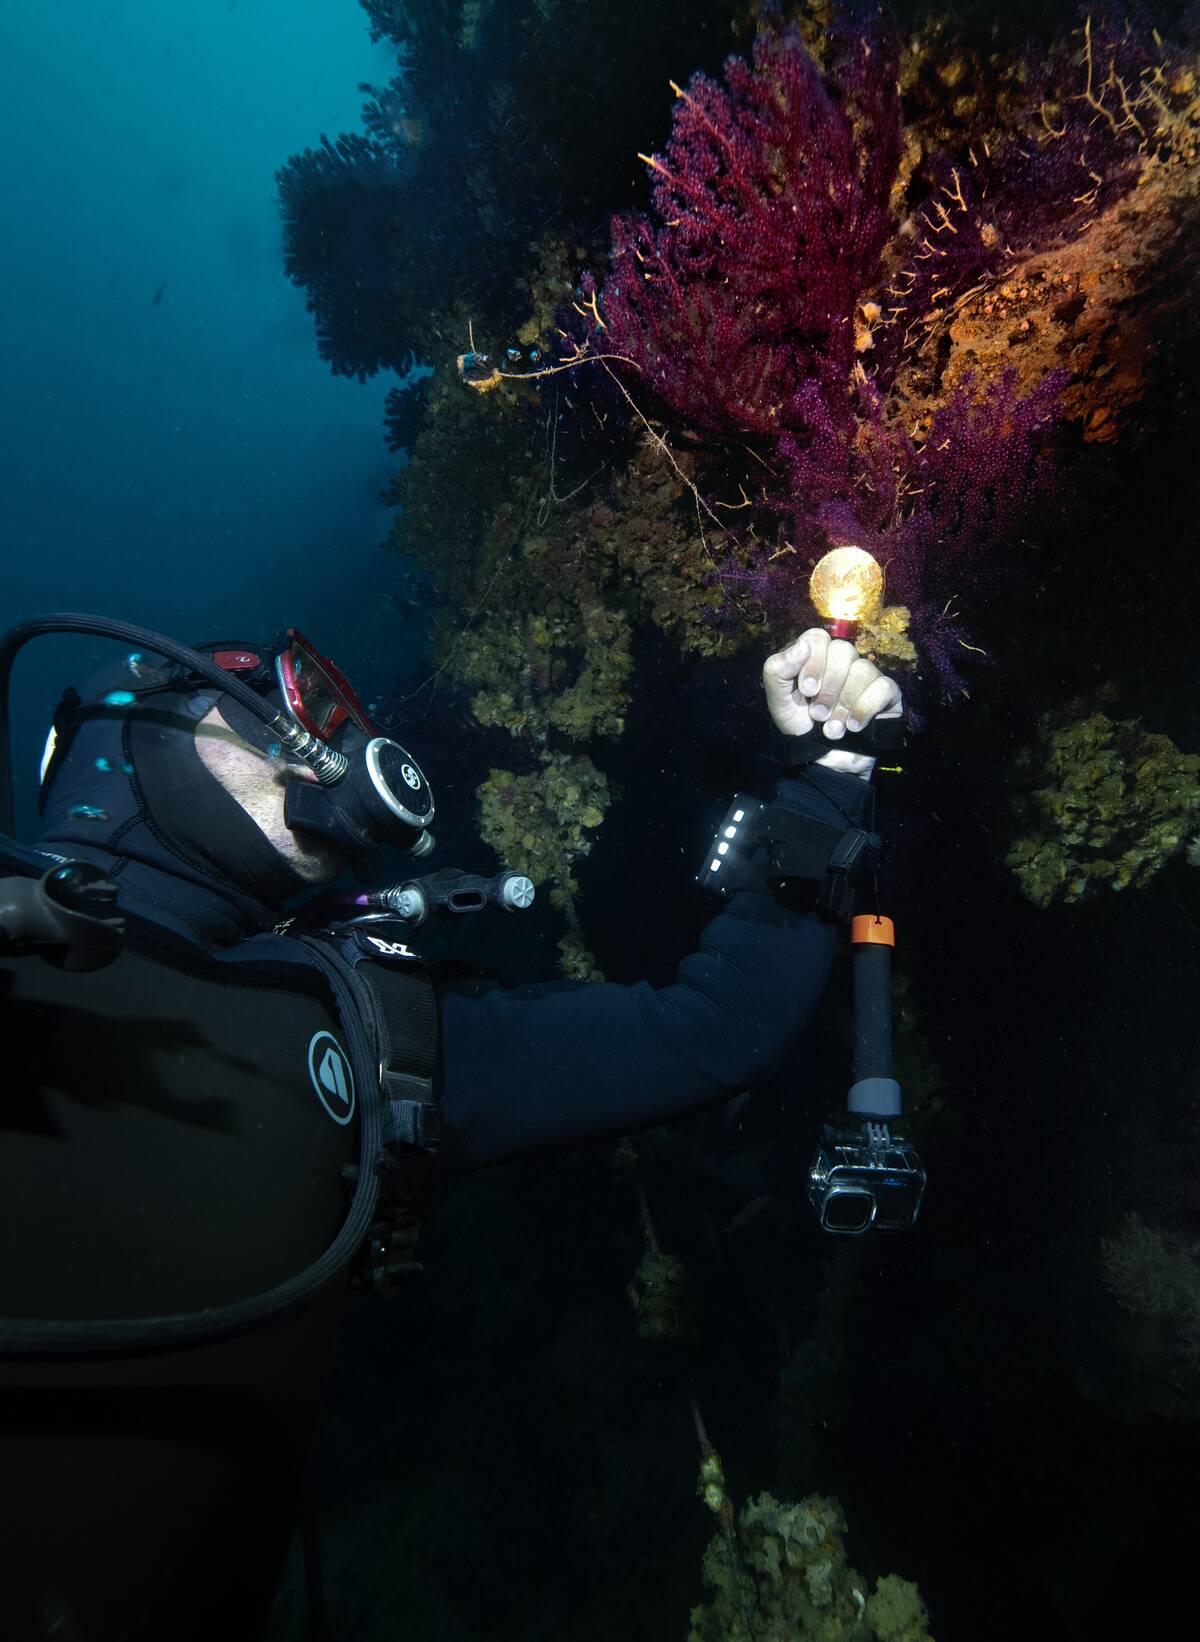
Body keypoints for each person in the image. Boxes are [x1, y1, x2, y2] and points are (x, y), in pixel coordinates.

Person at [0, 615, 901, 1642]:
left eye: (338, 723)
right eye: (281, 710)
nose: (332, 749)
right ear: (132, 729)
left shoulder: (375, 1028)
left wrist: (828, 772)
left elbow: (713, 1029)